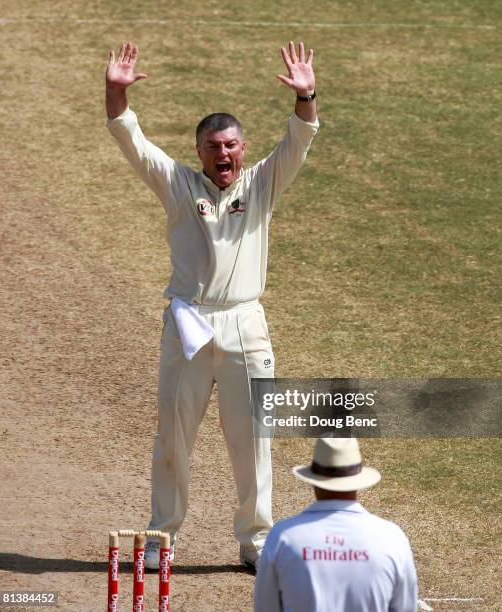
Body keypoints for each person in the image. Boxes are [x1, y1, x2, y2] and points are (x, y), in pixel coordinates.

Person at [105, 40, 319, 570]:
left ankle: (255, 540)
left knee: (253, 438)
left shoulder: (263, 183)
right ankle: (160, 537)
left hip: (246, 323)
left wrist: (306, 94)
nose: (222, 155)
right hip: (188, 320)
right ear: (198, 150)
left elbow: (300, 139)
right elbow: (132, 140)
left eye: (230, 145)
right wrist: (115, 92)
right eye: (212, 146)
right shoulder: (177, 184)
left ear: (242, 148)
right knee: (173, 434)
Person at [254, 437, 418, 611]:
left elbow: (265, 606)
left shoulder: (283, 537)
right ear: (357, 481)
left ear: (314, 482)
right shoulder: (392, 538)